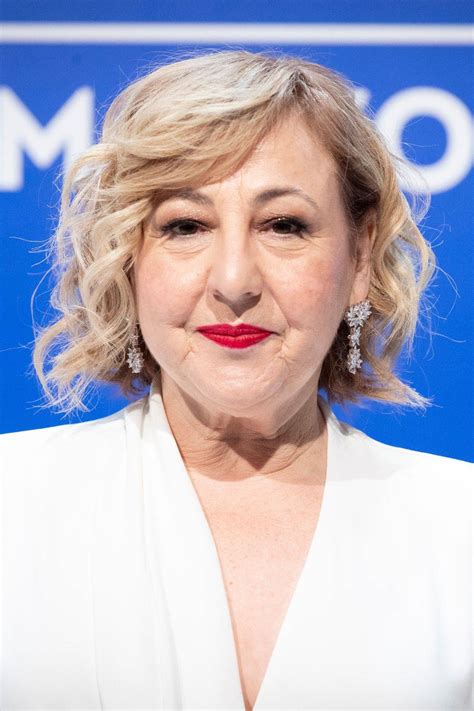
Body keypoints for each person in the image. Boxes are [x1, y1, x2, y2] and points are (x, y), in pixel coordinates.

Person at [1, 49, 472, 711]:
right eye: (185, 226)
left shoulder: (459, 525)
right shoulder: (12, 501)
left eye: (284, 226)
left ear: (360, 257)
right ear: (128, 259)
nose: (233, 281)